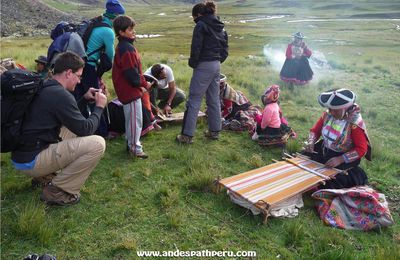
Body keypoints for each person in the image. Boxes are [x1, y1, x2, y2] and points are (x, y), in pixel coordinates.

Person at [11, 52, 108, 206]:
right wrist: (99, 107)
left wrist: (84, 99)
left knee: (70, 127)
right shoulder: (60, 94)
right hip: (32, 161)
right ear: (69, 73)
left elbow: (70, 117)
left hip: (22, 155)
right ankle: (58, 191)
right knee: (98, 144)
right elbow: (86, 129)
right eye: (78, 76)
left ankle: (44, 175)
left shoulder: (46, 84)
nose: (79, 80)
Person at [176, 1, 228, 144]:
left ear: (199, 14)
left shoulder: (201, 25)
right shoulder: (220, 26)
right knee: (213, 99)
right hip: (216, 65)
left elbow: (196, 47)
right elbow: (225, 48)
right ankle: (214, 131)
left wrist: (194, 63)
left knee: (194, 99)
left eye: (194, 17)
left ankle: (186, 136)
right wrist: (218, 60)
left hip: (204, 65)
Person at [73, 0, 126, 137]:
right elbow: (110, 55)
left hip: (80, 66)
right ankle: (101, 133)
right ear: (116, 16)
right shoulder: (108, 31)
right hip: (90, 67)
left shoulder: (96, 22)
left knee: (82, 98)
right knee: (97, 98)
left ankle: (81, 128)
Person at [304, 88, 372, 189]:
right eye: (329, 109)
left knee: (329, 181)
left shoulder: (355, 124)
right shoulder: (327, 114)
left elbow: (361, 149)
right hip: (325, 150)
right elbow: (315, 130)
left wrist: (340, 159)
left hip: (342, 157)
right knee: (304, 159)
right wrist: (311, 142)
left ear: (344, 109)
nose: (330, 112)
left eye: (334, 110)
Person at [112, 15, 152, 158]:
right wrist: (144, 84)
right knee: (135, 121)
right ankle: (135, 148)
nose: (133, 32)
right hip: (129, 91)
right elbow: (131, 74)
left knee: (131, 120)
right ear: (121, 32)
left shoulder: (124, 47)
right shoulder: (127, 49)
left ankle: (131, 143)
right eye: (130, 29)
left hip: (126, 90)